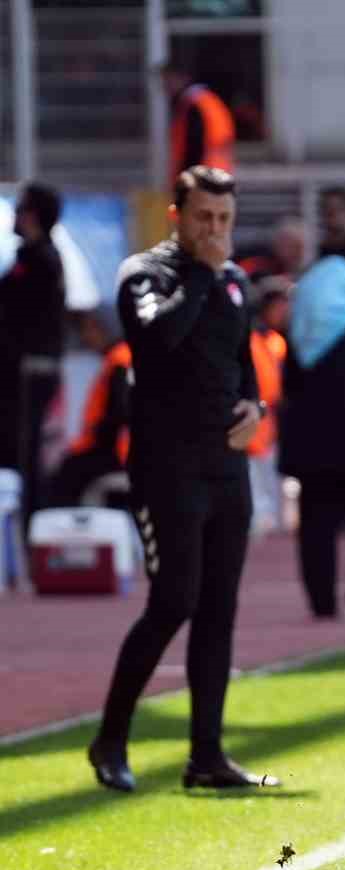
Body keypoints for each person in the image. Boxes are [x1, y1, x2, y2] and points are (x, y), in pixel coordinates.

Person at [86, 166, 276, 794]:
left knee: (219, 608)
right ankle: (110, 739)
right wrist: (200, 269)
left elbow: (241, 362)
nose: (214, 230)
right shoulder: (148, 273)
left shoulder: (232, 280)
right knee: (174, 600)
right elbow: (159, 337)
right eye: (203, 217)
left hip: (225, 466)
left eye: (223, 219)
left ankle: (207, 756)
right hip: (166, 466)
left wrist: (257, 410)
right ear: (178, 215)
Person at [279, 255, 345, 619]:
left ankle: (322, 599)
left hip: (313, 447)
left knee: (315, 525)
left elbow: (289, 386)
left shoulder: (296, 331)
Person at [0, 183, 68, 522]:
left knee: (22, 457)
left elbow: (16, 320)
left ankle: (29, 538)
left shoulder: (41, 261)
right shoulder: (29, 259)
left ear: (32, 216)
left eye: (21, 208)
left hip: (27, 375)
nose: (14, 214)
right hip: (21, 373)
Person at [49, 322, 130, 507]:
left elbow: (119, 412)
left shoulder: (120, 358)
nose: (86, 337)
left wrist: (99, 436)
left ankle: (67, 532)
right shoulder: (122, 356)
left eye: (89, 329)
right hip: (121, 450)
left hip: (119, 452)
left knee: (67, 474)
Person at [245, 282, 287, 533]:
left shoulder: (275, 341)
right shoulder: (249, 339)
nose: (284, 312)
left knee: (271, 479)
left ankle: (271, 522)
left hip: (271, 418)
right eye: (280, 306)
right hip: (252, 417)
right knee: (255, 480)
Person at [159, 62, 235, 187]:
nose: (164, 87)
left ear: (181, 78)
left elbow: (194, 146)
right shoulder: (205, 101)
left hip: (203, 180)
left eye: (167, 81)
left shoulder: (194, 105)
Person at [238, 217, 307, 284]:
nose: (299, 253)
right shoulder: (255, 263)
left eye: (300, 247)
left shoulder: (304, 271)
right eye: (294, 246)